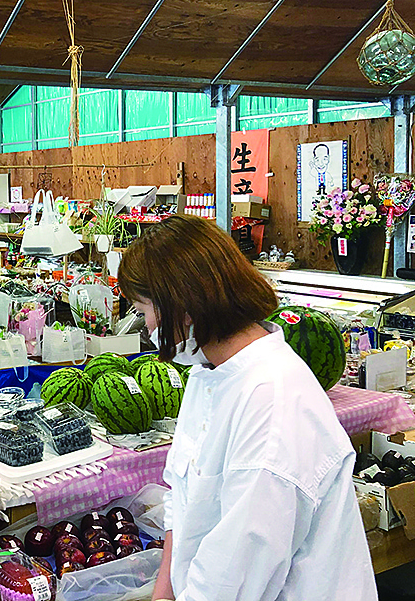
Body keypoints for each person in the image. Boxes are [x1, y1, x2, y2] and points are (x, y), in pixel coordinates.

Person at [118, 214, 375, 601]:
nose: (146, 325)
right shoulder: (210, 373)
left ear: (184, 307)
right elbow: (182, 498)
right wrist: (164, 593)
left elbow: (234, 577)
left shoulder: (272, 402)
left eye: (144, 310)